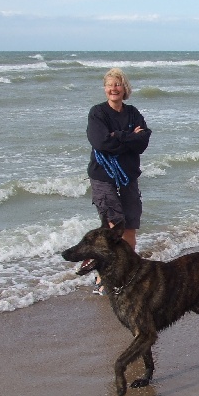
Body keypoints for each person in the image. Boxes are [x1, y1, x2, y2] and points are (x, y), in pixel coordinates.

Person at [84, 68, 152, 291]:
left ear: (125, 88)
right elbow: (100, 142)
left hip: (128, 176)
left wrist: (118, 137)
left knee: (130, 227)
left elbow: (142, 142)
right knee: (114, 230)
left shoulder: (132, 113)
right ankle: (104, 278)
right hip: (103, 177)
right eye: (110, 84)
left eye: (118, 84)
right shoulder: (97, 113)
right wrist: (129, 136)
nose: (114, 89)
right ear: (105, 88)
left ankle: (125, 274)